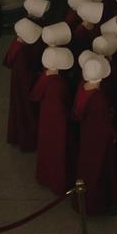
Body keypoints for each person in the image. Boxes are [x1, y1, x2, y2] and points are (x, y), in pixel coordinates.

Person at [73, 54, 117, 216]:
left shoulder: (82, 88)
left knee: (87, 167)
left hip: (87, 135)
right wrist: (113, 134)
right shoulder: (98, 98)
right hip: (99, 140)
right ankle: (98, 204)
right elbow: (104, 123)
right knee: (100, 170)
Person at [31, 47, 74, 195]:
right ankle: (58, 180)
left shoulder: (44, 78)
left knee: (47, 147)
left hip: (47, 120)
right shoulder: (58, 84)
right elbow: (63, 105)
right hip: (58, 123)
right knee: (58, 150)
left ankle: (46, 175)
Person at [4, 19, 43, 152]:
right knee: (26, 113)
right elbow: (27, 78)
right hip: (24, 89)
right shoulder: (22, 54)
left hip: (19, 86)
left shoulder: (16, 46)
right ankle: (28, 140)